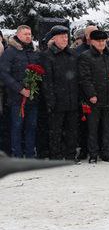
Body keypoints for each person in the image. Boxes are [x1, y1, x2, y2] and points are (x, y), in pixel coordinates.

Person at [78, 30, 109, 163]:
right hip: (93, 98)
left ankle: (106, 153)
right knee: (93, 128)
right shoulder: (85, 56)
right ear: (91, 41)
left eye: (103, 40)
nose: (101, 43)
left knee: (108, 127)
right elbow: (84, 78)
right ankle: (93, 154)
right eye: (98, 41)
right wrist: (91, 94)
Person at [0, 25, 41, 158]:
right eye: (25, 34)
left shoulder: (34, 51)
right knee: (17, 127)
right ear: (18, 35)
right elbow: (4, 74)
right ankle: (16, 154)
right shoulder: (10, 52)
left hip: (32, 98)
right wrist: (20, 89)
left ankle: (30, 154)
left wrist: (34, 87)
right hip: (16, 98)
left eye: (30, 34)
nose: (28, 37)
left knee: (31, 127)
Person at [40, 26, 80, 162]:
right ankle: (55, 155)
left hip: (72, 99)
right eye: (62, 37)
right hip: (57, 100)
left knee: (72, 130)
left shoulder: (72, 54)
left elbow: (77, 77)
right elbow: (47, 81)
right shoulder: (47, 55)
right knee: (55, 130)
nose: (65, 39)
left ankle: (70, 155)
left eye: (66, 37)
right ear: (54, 38)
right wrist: (50, 100)